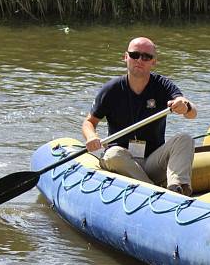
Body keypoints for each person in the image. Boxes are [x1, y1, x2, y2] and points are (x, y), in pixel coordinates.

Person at [82, 37, 198, 195]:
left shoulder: (162, 85)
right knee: (113, 155)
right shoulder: (111, 89)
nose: (140, 60)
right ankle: (154, 192)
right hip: (122, 160)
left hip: (152, 160)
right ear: (125, 57)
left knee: (185, 139)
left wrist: (185, 106)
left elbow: (191, 112)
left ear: (153, 61)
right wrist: (91, 137)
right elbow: (89, 122)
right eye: (134, 55)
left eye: (146, 57)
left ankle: (178, 189)